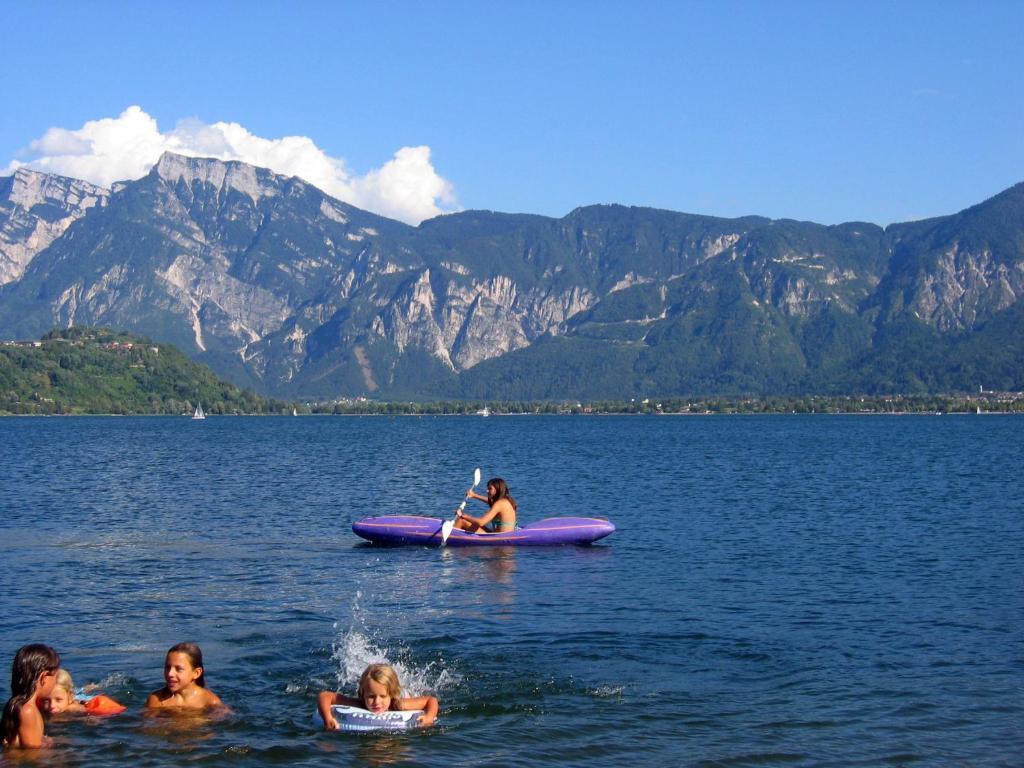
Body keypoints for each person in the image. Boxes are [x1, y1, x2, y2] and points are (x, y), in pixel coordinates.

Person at [317, 663, 438, 729]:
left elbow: (431, 700)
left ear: (390, 695)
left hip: (400, 697)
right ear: (363, 694)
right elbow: (325, 696)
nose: (377, 702)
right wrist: (328, 719)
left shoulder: (399, 704)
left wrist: (429, 717)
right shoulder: (360, 703)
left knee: (407, 696)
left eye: (382, 696)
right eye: (371, 696)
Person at [1, 643, 60, 749]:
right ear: (44, 677)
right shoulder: (28, 711)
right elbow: (32, 756)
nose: (56, 683)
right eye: (55, 677)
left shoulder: (17, 704)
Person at [145, 642, 225, 710]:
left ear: (196, 673)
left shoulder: (210, 702)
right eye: (167, 667)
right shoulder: (156, 700)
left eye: (178, 669)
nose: (170, 673)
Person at [42, 669, 126, 716]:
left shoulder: (73, 708)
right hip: (72, 693)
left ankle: (91, 686)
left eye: (58, 700)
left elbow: (90, 712)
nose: (51, 706)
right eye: (46, 700)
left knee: (82, 693)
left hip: (83, 698)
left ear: (70, 697)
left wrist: (90, 718)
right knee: (78, 691)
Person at [453, 477, 517, 533]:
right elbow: (490, 502)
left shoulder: (499, 504)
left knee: (462, 521)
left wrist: (463, 516)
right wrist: (474, 495)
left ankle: (450, 538)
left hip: (498, 536)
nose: (487, 491)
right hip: (506, 533)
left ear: (497, 489)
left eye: (490, 489)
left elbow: (481, 522)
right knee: (469, 519)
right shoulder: (507, 500)